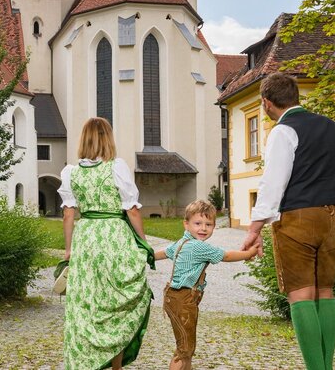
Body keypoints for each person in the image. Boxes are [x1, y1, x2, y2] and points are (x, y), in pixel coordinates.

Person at [240, 73, 335, 370]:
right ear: (296, 97)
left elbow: (273, 183)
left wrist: (254, 228)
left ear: (266, 103)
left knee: (301, 294)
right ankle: (326, 366)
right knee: (325, 291)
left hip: (298, 217)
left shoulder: (283, 131)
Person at [58, 117, 153, 370]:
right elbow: (131, 209)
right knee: (116, 302)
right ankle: (116, 367)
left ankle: (85, 362)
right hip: (114, 236)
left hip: (86, 237)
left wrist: (69, 249)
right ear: (108, 139)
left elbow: (68, 214)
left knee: (87, 303)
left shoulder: (71, 172)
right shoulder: (116, 167)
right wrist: (143, 242)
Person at [156, 200, 260, 370]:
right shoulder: (197, 247)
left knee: (187, 346)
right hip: (182, 300)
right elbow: (225, 256)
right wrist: (249, 253)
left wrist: (144, 255)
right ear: (186, 224)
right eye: (198, 223)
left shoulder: (181, 243)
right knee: (184, 349)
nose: (203, 228)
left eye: (208, 224)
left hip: (176, 299)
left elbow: (162, 253)